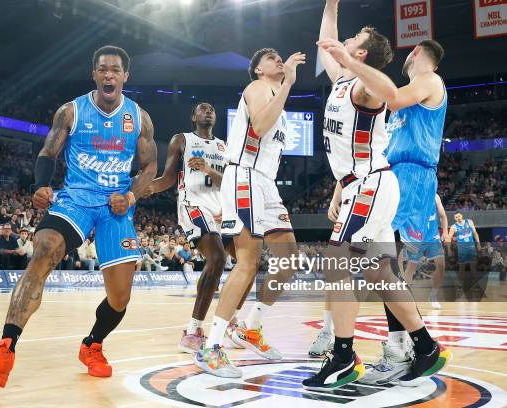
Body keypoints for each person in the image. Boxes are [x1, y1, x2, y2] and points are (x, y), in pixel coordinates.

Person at [0, 45, 157, 387]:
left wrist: (131, 194)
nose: (108, 75)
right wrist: (41, 185)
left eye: (115, 70)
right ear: (94, 74)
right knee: (44, 249)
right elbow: (48, 152)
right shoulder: (71, 112)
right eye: (102, 69)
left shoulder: (139, 117)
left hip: (115, 206)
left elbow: (150, 166)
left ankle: (92, 345)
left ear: (125, 76)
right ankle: (4, 348)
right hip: (76, 200)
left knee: (120, 297)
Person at [303, 0, 450, 389]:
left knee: (337, 264)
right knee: (379, 271)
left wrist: (348, 60)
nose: (345, 41)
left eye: (354, 40)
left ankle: (343, 355)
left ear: (362, 53)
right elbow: (326, 40)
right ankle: (424, 344)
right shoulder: (343, 81)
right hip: (361, 183)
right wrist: (331, 5)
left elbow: (390, 93)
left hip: (372, 184)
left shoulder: (367, 86)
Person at [195, 47, 306, 377]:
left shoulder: (279, 102)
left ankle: (249, 328)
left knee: (288, 261)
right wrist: (289, 83)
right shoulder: (258, 89)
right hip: (243, 175)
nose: (277, 59)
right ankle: (211, 346)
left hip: (265, 183)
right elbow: (258, 126)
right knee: (248, 262)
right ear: (258, 70)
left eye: (278, 56)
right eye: (270, 58)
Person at [145, 102, 236, 353]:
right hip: (193, 204)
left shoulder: (222, 146)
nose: (209, 111)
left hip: (220, 209)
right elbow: (167, 178)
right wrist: (145, 187)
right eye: (203, 108)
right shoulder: (181, 139)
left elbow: (228, 182)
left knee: (247, 260)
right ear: (193, 116)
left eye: (212, 109)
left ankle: (232, 321)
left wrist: (207, 169)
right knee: (216, 259)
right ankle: (193, 331)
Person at [447, 213, 481, 295]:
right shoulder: (454, 227)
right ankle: (460, 286)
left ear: (462, 216)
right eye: (456, 217)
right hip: (462, 249)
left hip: (471, 248)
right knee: (461, 268)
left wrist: (478, 244)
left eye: (459, 216)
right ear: (455, 219)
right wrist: (449, 249)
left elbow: (475, 233)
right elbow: (448, 238)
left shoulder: (469, 222)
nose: (458, 217)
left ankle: (476, 285)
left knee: (473, 268)